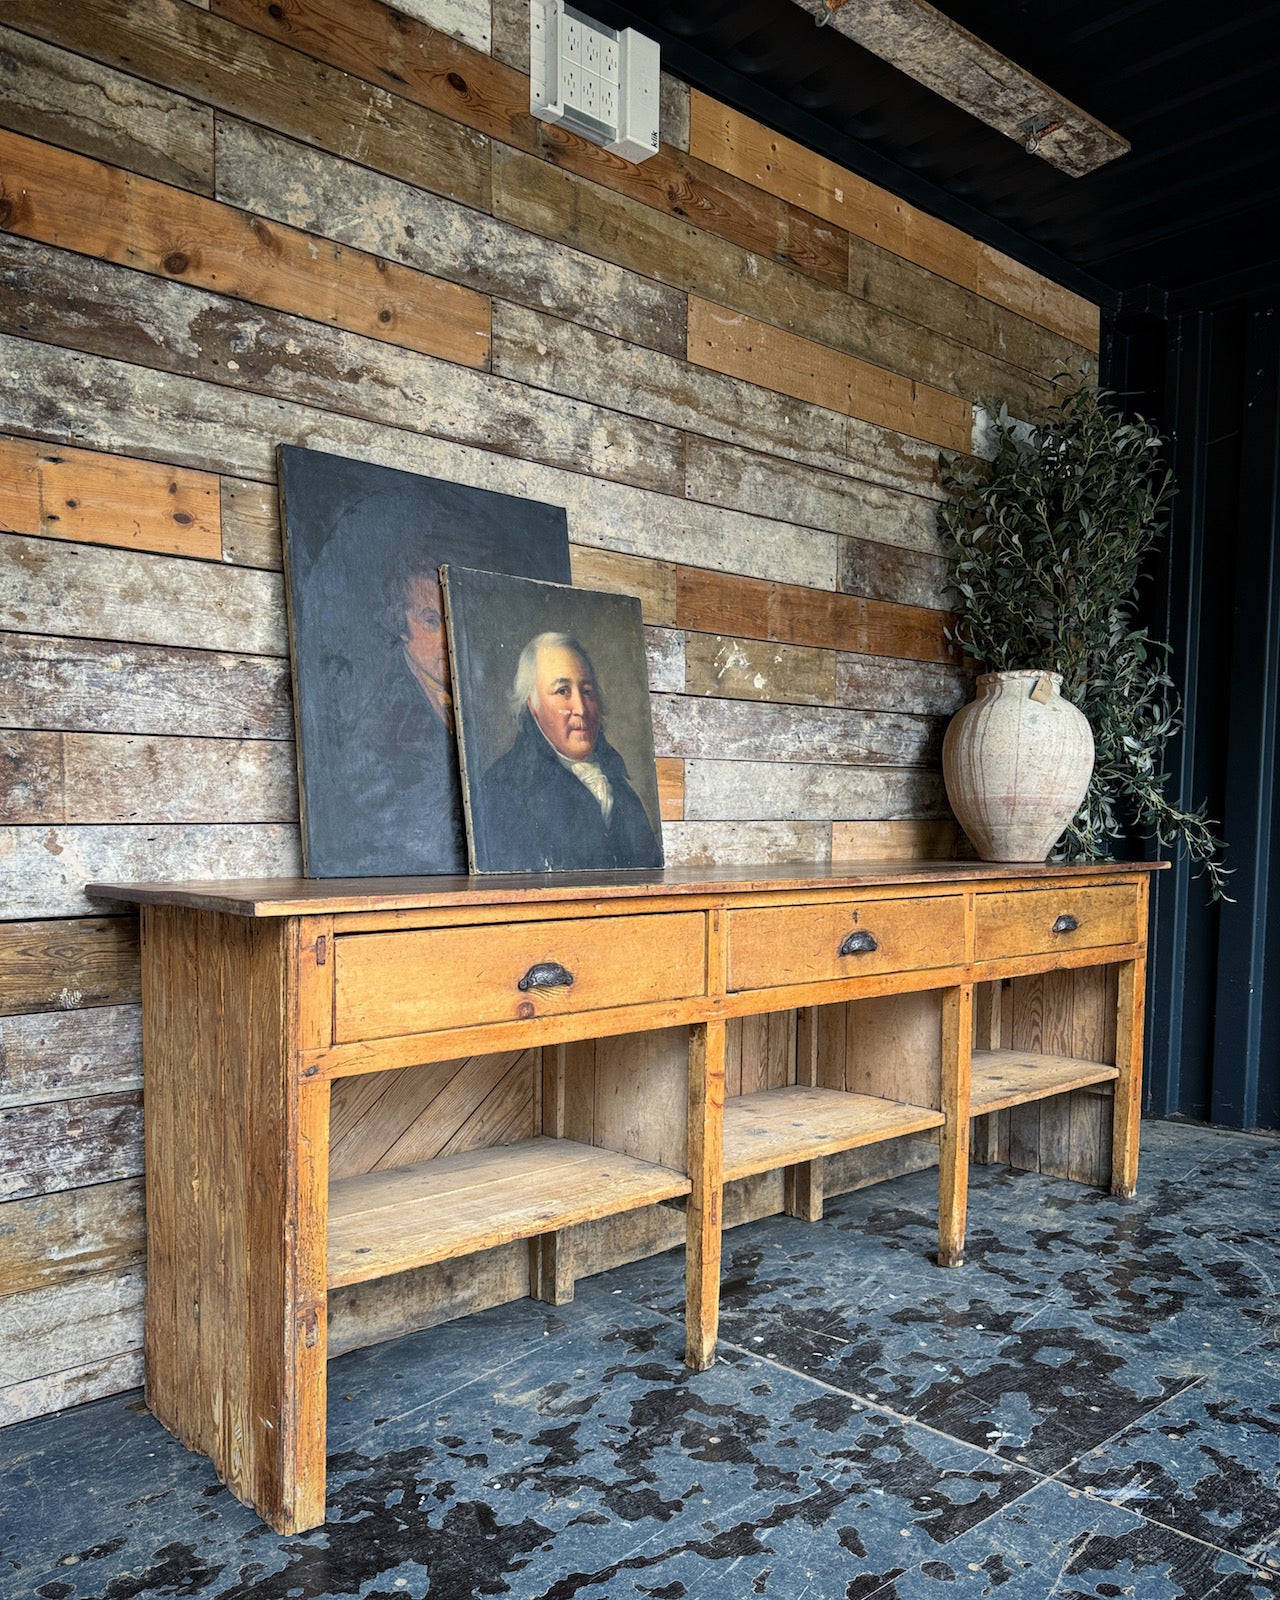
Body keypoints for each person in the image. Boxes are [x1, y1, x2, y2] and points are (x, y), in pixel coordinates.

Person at [476, 631, 662, 871]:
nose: (581, 709)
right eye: (563, 691)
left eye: (587, 691)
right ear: (532, 705)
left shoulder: (619, 787)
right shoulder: (502, 790)